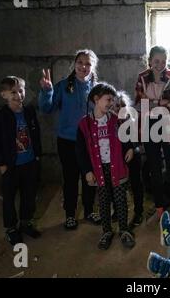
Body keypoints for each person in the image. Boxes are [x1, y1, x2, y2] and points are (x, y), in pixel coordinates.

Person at [38, 49, 101, 230]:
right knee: (70, 178)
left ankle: (89, 211)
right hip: (67, 140)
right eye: (80, 62)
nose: (83, 66)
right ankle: (70, 215)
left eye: (88, 63)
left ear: (93, 67)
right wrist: (47, 91)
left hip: (91, 142)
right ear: (74, 64)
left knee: (90, 177)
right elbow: (46, 108)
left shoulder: (98, 89)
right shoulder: (63, 86)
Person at [76, 83, 136, 250]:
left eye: (112, 100)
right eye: (108, 99)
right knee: (103, 201)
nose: (111, 103)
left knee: (120, 199)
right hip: (99, 169)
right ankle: (107, 232)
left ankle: (124, 230)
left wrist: (129, 147)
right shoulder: (84, 124)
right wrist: (87, 170)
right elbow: (80, 151)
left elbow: (125, 137)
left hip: (116, 167)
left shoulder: (116, 120)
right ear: (96, 99)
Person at [134, 45, 170, 225]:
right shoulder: (142, 78)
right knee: (154, 170)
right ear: (149, 61)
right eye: (156, 61)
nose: (160, 64)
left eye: (163, 61)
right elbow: (140, 104)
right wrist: (160, 104)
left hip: (169, 126)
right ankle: (159, 210)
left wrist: (152, 104)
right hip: (149, 126)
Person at [0, 76, 42, 245]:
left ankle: (26, 223)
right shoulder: (0, 117)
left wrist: (37, 155)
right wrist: (2, 164)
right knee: (9, 198)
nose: (18, 95)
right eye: (13, 92)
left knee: (29, 196)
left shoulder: (29, 111)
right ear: (3, 95)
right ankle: (11, 228)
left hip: (29, 163)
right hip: (11, 166)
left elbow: (36, 134)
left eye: (21, 90)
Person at [112, 90, 144, 229]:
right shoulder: (109, 122)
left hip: (133, 156)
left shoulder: (132, 120)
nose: (118, 108)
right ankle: (118, 212)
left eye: (121, 105)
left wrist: (132, 148)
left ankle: (138, 213)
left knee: (136, 184)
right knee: (117, 185)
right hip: (116, 157)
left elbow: (138, 141)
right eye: (115, 105)